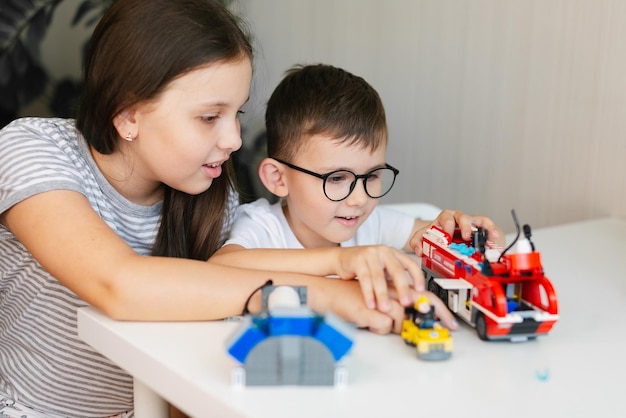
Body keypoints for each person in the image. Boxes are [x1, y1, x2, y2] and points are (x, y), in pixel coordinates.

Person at [0, 3, 414, 417]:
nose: (234, 138)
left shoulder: (211, 194)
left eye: (237, 113)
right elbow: (119, 284)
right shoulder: (33, 150)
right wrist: (331, 290)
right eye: (209, 116)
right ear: (127, 115)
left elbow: (198, 346)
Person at [211, 63, 505, 319]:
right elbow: (222, 268)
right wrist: (338, 260)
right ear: (278, 178)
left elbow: (429, 231)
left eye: (373, 175)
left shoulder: (367, 224)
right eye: (337, 178)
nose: (360, 199)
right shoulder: (263, 227)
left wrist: (465, 233)